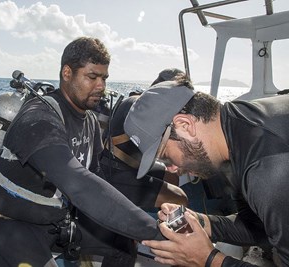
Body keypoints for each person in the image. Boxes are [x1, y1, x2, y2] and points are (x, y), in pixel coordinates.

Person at [0, 37, 161, 267]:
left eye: (104, 78)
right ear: (67, 73)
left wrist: (152, 206)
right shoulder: (39, 118)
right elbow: (78, 183)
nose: (101, 86)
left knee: (123, 245)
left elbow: (97, 178)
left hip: (56, 224)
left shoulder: (90, 121)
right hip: (6, 225)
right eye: (92, 77)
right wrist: (154, 231)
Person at [123, 79, 289, 266]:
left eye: (166, 157)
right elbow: (258, 227)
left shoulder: (267, 171)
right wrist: (199, 221)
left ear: (185, 125)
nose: (171, 169)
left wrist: (207, 259)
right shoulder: (238, 129)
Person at [100, 68, 188, 211]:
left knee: (171, 176)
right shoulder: (140, 107)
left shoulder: (141, 102)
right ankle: (160, 231)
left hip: (131, 165)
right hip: (114, 172)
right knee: (180, 198)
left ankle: (157, 214)